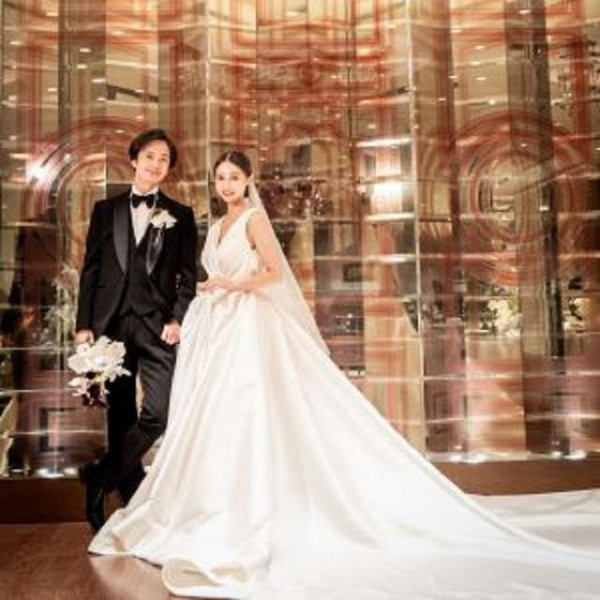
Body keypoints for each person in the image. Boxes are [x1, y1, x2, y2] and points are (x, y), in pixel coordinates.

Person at [87, 150, 600, 599]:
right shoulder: (216, 224)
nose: (226, 185)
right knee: (219, 416)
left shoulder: (254, 220)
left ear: (248, 182)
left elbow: (275, 274)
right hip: (220, 325)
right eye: (220, 178)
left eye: (234, 178)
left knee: (254, 407)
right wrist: (210, 289)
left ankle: (259, 507)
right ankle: (215, 501)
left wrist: (234, 286)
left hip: (250, 324)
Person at [75, 129, 198, 532]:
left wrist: (177, 319)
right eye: (150, 156)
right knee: (120, 413)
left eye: (164, 159)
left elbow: (187, 277)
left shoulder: (180, 215)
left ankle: (101, 477)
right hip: (110, 323)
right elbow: (91, 270)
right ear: (134, 160)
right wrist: (84, 325)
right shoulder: (105, 210)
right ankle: (127, 491)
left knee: (158, 413)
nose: (156, 164)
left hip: (158, 326)